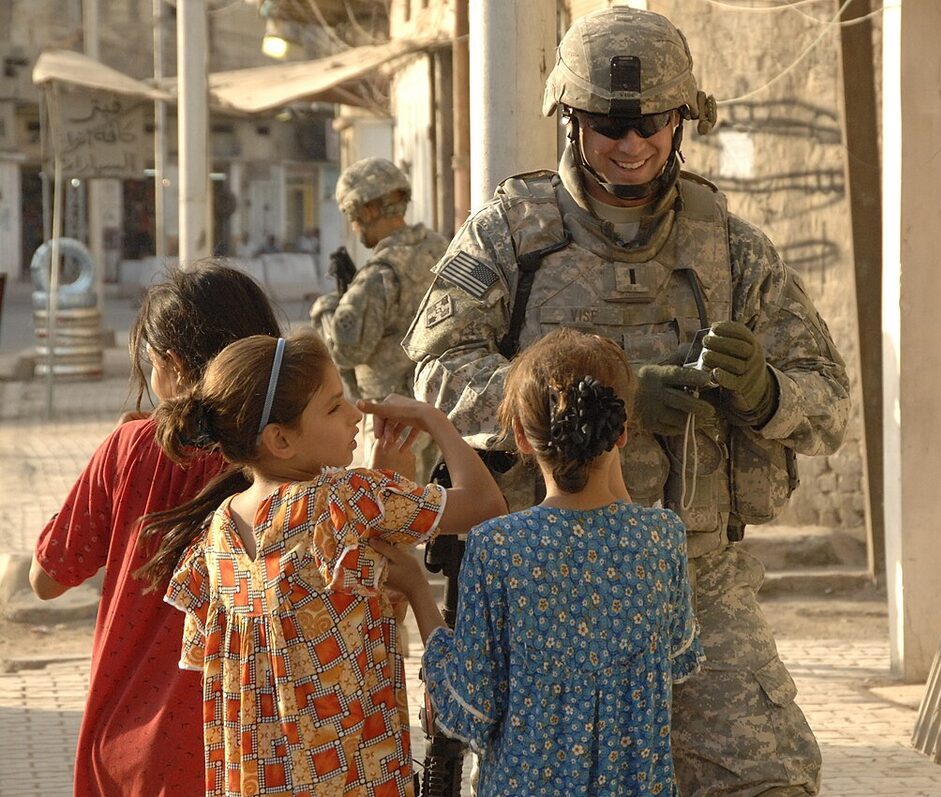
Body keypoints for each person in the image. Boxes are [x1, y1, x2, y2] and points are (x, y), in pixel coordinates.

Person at [403, 7, 851, 795]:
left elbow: (828, 403)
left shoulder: (732, 248)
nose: (632, 143)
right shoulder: (510, 235)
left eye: (651, 121)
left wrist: (765, 390)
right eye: (610, 123)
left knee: (767, 777)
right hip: (540, 573)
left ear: (683, 120)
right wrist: (609, 395)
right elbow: (437, 368)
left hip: (695, 568)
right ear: (570, 118)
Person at [143, 331, 505, 797]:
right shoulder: (345, 501)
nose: (356, 414)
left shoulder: (217, 536)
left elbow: (338, 621)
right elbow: (485, 504)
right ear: (280, 439)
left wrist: (384, 480)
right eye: (335, 407)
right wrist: (432, 418)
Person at [379, 328, 702, 796]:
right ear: (623, 431)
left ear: (522, 441)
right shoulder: (661, 538)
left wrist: (414, 587)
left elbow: (467, 706)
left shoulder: (499, 548)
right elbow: (677, 660)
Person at [28, 262, 282, 797]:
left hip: (130, 748)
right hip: (250, 749)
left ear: (171, 363)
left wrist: (106, 463)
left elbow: (47, 577)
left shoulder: (129, 450)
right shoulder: (283, 457)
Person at [310, 158, 449, 475]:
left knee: (396, 511)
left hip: (396, 422)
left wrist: (328, 307)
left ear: (368, 210)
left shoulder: (380, 274)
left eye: (352, 215)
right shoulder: (440, 248)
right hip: (440, 407)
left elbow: (346, 349)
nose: (354, 225)